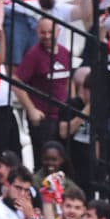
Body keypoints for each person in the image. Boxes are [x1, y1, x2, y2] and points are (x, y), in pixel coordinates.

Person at [13, 17, 72, 166]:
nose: (46, 36)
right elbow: (16, 81)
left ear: (58, 31)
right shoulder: (34, 55)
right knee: (44, 162)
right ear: (37, 33)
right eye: (42, 32)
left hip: (62, 117)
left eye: (50, 32)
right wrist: (31, 109)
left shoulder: (65, 53)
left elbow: (68, 81)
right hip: (43, 119)